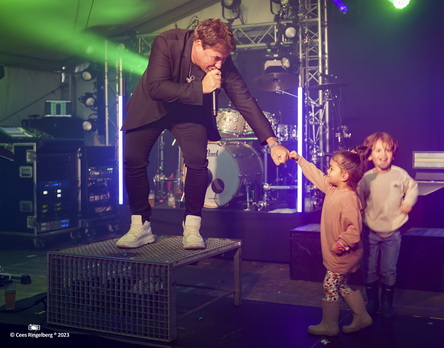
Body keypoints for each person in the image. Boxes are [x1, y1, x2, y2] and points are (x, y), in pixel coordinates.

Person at [117, 18, 289, 250]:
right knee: (133, 160)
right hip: (153, 106)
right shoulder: (166, 42)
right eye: (215, 57)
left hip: (190, 110)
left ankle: (192, 227)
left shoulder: (221, 63)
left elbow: (244, 99)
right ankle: (141, 225)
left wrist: (272, 142)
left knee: (198, 163)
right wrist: (200, 88)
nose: (219, 64)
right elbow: (156, 87)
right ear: (198, 44)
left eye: (223, 59)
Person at [290, 147, 372, 336]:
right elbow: (316, 175)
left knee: (330, 285)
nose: (328, 170)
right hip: (336, 254)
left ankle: (329, 325)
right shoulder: (332, 188)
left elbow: (354, 230)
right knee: (340, 285)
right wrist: (299, 160)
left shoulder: (350, 198)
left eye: (332, 168)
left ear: (344, 175)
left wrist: (341, 243)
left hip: (342, 255)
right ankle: (362, 317)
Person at [358, 132, 418, 319]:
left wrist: (408, 202)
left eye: (387, 150)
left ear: (393, 153)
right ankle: (372, 301)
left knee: (388, 269)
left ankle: (386, 303)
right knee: (368, 268)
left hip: (393, 232)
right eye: (378, 150)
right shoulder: (366, 178)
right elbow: (358, 199)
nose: (383, 154)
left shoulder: (400, 174)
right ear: (370, 155)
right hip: (370, 231)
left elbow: (413, 188)